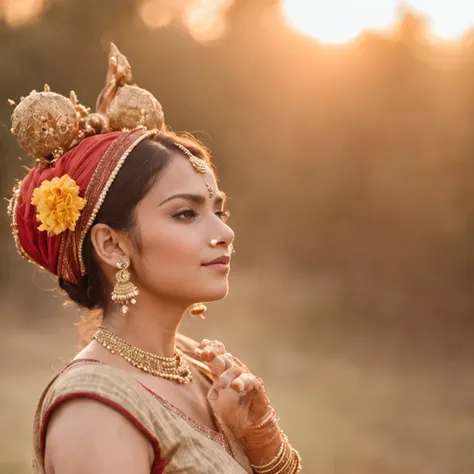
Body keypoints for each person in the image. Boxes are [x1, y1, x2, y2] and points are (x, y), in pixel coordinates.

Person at [7, 43, 302, 474]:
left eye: (219, 211)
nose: (224, 233)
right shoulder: (95, 413)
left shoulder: (201, 370)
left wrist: (262, 443)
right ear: (112, 245)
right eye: (186, 214)